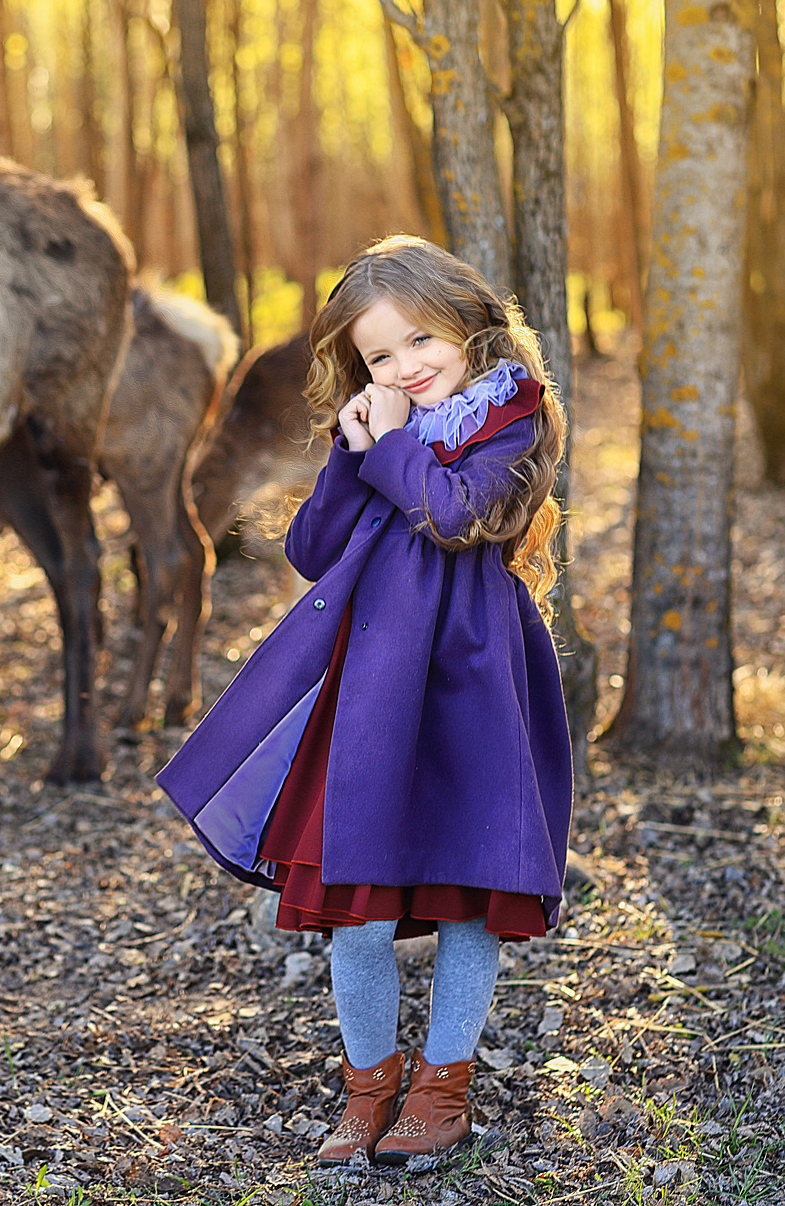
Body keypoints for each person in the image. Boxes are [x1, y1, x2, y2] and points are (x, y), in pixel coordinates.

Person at [155, 236, 573, 1168]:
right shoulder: (380, 434)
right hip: (375, 688)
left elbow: (460, 515)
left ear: (470, 329)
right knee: (359, 897)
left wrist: (389, 446)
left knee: (471, 889)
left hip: (474, 679)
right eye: (381, 356)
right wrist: (352, 451)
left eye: (423, 341)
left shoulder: (517, 418)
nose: (406, 367)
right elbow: (312, 548)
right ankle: (369, 1084)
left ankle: (442, 1087)